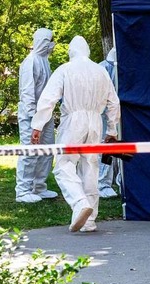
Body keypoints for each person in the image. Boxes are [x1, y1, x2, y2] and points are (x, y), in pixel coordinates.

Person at [31, 36, 120, 233]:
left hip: (73, 121)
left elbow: (49, 97)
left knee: (64, 165)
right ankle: (89, 221)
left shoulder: (65, 69)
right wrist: (112, 130)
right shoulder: (101, 71)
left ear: (71, 51)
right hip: (96, 122)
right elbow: (114, 102)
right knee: (91, 167)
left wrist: (37, 125)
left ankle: (80, 203)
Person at [15, 28, 58, 203]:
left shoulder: (44, 61)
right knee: (30, 151)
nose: (52, 44)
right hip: (30, 116)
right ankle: (23, 191)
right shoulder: (30, 61)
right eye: (49, 41)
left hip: (45, 115)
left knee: (47, 150)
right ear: (42, 41)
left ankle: (39, 186)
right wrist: (34, 121)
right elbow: (27, 93)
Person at [98, 47, 120, 198]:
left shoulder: (106, 67)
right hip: (104, 115)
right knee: (106, 147)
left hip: (117, 114)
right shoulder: (102, 69)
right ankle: (102, 183)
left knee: (118, 147)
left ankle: (117, 180)